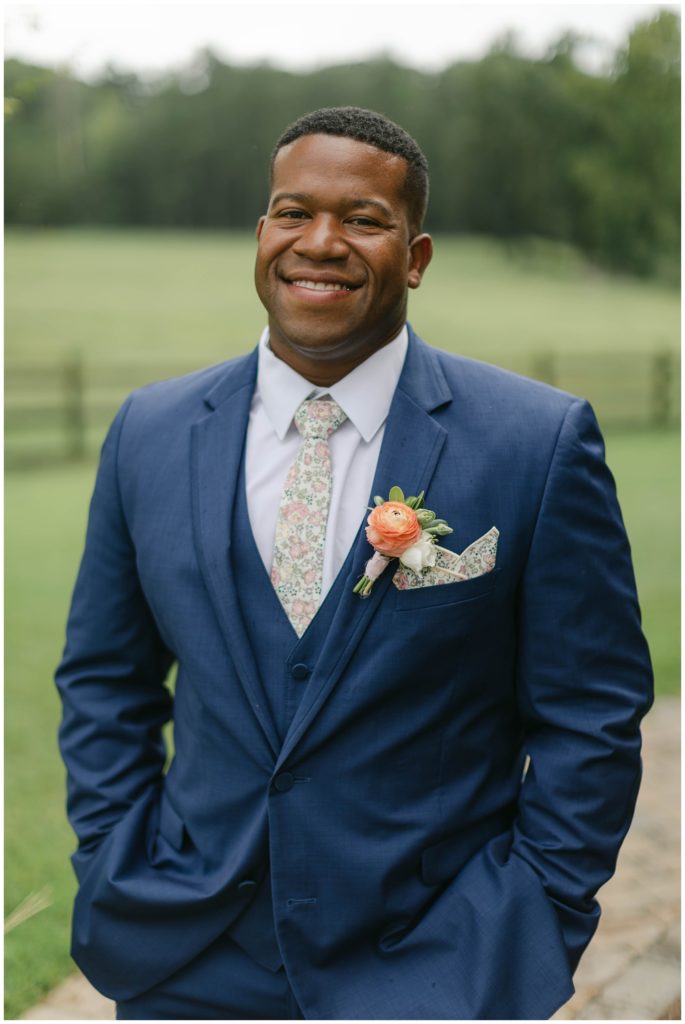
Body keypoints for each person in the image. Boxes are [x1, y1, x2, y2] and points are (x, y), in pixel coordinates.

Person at [55, 106, 653, 1020]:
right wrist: (111, 851)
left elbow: (590, 713)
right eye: (293, 213)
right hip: (184, 956)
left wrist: (535, 909)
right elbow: (105, 678)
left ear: (414, 256)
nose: (320, 243)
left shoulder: (534, 442)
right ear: (261, 236)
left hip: (436, 963)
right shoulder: (151, 430)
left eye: (364, 219)